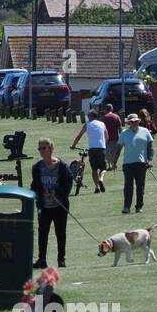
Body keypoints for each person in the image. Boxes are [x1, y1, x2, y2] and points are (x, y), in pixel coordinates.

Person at [31, 138, 73, 268]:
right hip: (44, 206)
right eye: (40, 148)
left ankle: (61, 259)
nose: (41, 151)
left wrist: (57, 192)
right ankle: (42, 260)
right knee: (42, 233)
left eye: (44, 148)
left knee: (60, 233)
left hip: (59, 206)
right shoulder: (37, 167)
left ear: (51, 149)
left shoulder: (62, 166)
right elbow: (35, 185)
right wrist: (36, 193)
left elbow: (68, 183)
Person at [115, 113, 155, 215]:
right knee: (128, 186)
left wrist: (150, 160)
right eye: (132, 122)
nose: (134, 123)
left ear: (139, 121)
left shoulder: (145, 131)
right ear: (129, 122)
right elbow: (118, 148)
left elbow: (150, 146)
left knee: (140, 186)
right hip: (128, 164)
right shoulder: (124, 133)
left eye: (136, 121)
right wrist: (114, 162)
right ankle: (126, 207)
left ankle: (139, 207)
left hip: (141, 163)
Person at [71, 108, 109, 193]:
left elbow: (79, 136)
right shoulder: (102, 124)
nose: (87, 117)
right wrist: (103, 144)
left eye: (88, 115)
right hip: (101, 148)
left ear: (91, 116)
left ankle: (97, 187)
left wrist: (73, 146)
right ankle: (101, 179)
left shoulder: (87, 124)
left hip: (92, 149)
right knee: (103, 168)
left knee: (94, 169)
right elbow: (107, 136)